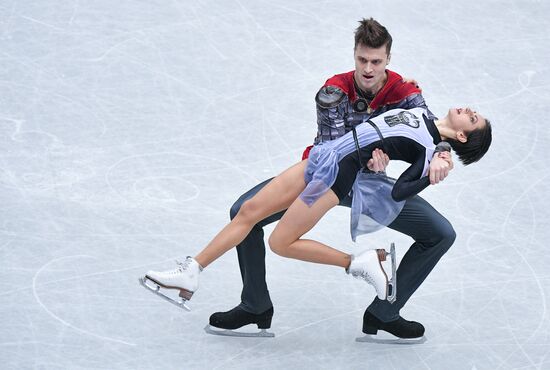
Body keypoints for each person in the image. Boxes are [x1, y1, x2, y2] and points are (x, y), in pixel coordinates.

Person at [142, 105, 492, 339]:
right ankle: (192, 271)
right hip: (325, 155)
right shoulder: (422, 110)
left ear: (461, 137)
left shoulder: (431, 150)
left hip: (338, 174)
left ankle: (361, 263)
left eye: (473, 120)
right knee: (249, 211)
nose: (471, 110)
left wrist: (432, 173)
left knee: (280, 242)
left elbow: (400, 190)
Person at [205, 18, 454, 339]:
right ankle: (255, 305)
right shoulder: (334, 89)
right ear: (354, 55)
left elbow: (433, 126)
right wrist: (376, 156)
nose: (368, 68)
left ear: (388, 60)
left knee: (441, 234)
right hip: (325, 179)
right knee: (243, 212)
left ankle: (385, 312)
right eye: (362, 60)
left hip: (369, 186)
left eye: (376, 62)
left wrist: (444, 152)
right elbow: (336, 148)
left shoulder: (404, 91)